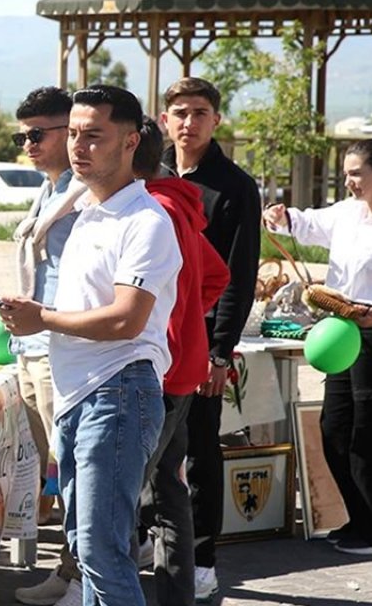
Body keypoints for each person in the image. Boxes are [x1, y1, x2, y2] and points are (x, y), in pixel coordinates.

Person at [0, 85, 181, 606]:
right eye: (74, 134)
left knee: (102, 552)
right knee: (86, 548)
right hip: (82, 394)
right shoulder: (88, 212)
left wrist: (42, 318)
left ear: (130, 141)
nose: (79, 146)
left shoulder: (146, 221)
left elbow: (127, 319)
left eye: (94, 135)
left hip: (116, 392)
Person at [263, 137, 372, 555]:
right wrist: (281, 216)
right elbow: (306, 223)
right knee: (335, 427)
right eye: (345, 174)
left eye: (355, 173)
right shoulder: (347, 213)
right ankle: (360, 519)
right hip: (341, 326)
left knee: (371, 432)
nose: (348, 182)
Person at [159, 77, 261, 600]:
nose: (189, 122)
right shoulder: (149, 175)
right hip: (148, 334)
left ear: (216, 120)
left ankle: (202, 558)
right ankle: (149, 544)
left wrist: (220, 351)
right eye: (180, 112)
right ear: (164, 120)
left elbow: (238, 276)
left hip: (200, 341)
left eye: (199, 112)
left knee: (199, 449)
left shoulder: (235, 186)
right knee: (149, 447)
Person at [137, 116, 229, 606]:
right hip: (177, 366)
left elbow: (216, 277)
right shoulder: (175, 203)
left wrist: (173, 322)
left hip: (162, 370)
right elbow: (215, 275)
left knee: (129, 495)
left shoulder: (157, 210)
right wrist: (187, 317)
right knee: (168, 490)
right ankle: (177, 595)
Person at [7, 86, 89, 606]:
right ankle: (68, 567)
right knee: (56, 471)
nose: (29, 146)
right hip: (32, 344)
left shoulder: (86, 195)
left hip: (66, 345)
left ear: (69, 131)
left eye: (37, 135)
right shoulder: (50, 189)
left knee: (77, 470)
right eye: (22, 137)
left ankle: (84, 579)